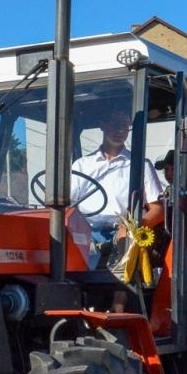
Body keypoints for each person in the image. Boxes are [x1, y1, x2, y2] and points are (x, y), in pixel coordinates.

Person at [71, 103, 164, 267]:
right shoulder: (81, 165)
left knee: (124, 251)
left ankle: (121, 291)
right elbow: (68, 205)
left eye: (124, 126)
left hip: (121, 231)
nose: (120, 131)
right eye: (115, 124)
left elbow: (157, 209)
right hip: (85, 233)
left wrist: (132, 226)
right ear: (103, 125)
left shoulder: (141, 165)